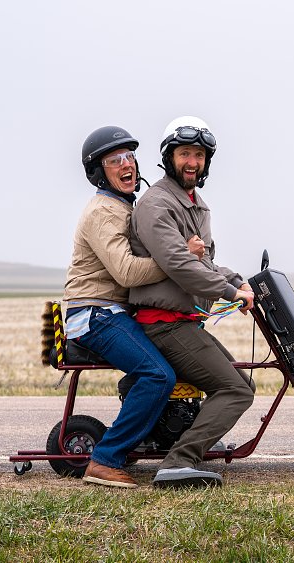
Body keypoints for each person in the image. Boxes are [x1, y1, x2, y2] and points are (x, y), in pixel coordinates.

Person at [129, 115, 257, 488]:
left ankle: (191, 442)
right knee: (233, 389)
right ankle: (178, 462)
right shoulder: (157, 204)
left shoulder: (195, 204)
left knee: (243, 386)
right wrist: (232, 293)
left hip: (184, 321)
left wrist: (239, 280)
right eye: (185, 153)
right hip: (164, 323)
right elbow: (180, 265)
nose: (192, 162)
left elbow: (205, 262)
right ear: (170, 157)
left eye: (199, 155)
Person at [65, 125, 184, 489]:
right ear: (100, 172)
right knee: (158, 375)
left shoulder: (123, 206)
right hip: (96, 314)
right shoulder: (103, 211)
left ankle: (153, 435)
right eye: (115, 159)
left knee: (170, 358)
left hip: (111, 312)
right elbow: (128, 271)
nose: (127, 164)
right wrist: (178, 260)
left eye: (130, 156)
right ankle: (105, 460)